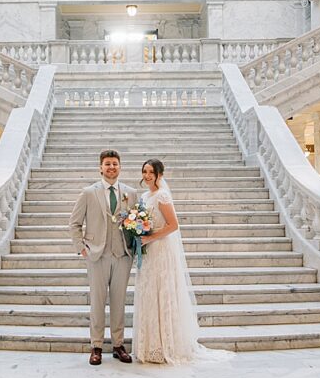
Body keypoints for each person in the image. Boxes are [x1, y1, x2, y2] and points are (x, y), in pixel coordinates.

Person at [132, 159, 231, 364]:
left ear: (160, 174)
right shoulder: (143, 196)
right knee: (149, 292)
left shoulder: (162, 195)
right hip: (149, 251)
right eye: (145, 171)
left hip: (161, 249)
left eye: (151, 172)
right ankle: (149, 346)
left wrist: (150, 237)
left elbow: (173, 225)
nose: (147, 175)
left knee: (162, 292)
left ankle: (166, 346)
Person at [69, 150, 137, 366]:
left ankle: (118, 345)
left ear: (120, 167)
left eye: (115, 164)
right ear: (100, 167)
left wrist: (133, 248)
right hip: (97, 255)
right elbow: (74, 223)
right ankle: (96, 346)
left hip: (122, 255)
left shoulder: (130, 193)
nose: (111, 167)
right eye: (107, 164)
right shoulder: (89, 193)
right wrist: (82, 248)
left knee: (119, 302)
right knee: (97, 302)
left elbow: (135, 221)